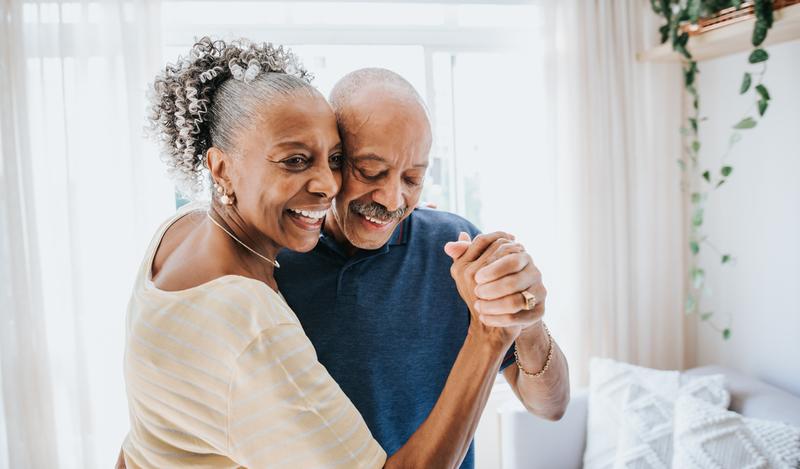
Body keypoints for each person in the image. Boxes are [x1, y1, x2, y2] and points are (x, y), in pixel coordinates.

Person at [120, 37, 537, 469]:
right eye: (295, 160)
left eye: (335, 159)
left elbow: (142, 442)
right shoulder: (253, 323)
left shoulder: (177, 232)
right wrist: (488, 337)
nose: (327, 184)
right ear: (221, 167)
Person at [274, 68, 571, 469]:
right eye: (371, 171)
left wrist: (528, 321)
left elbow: (551, 407)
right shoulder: (273, 263)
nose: (392, 197)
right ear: (332, 158)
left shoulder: (456, 247)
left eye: (413, 178)